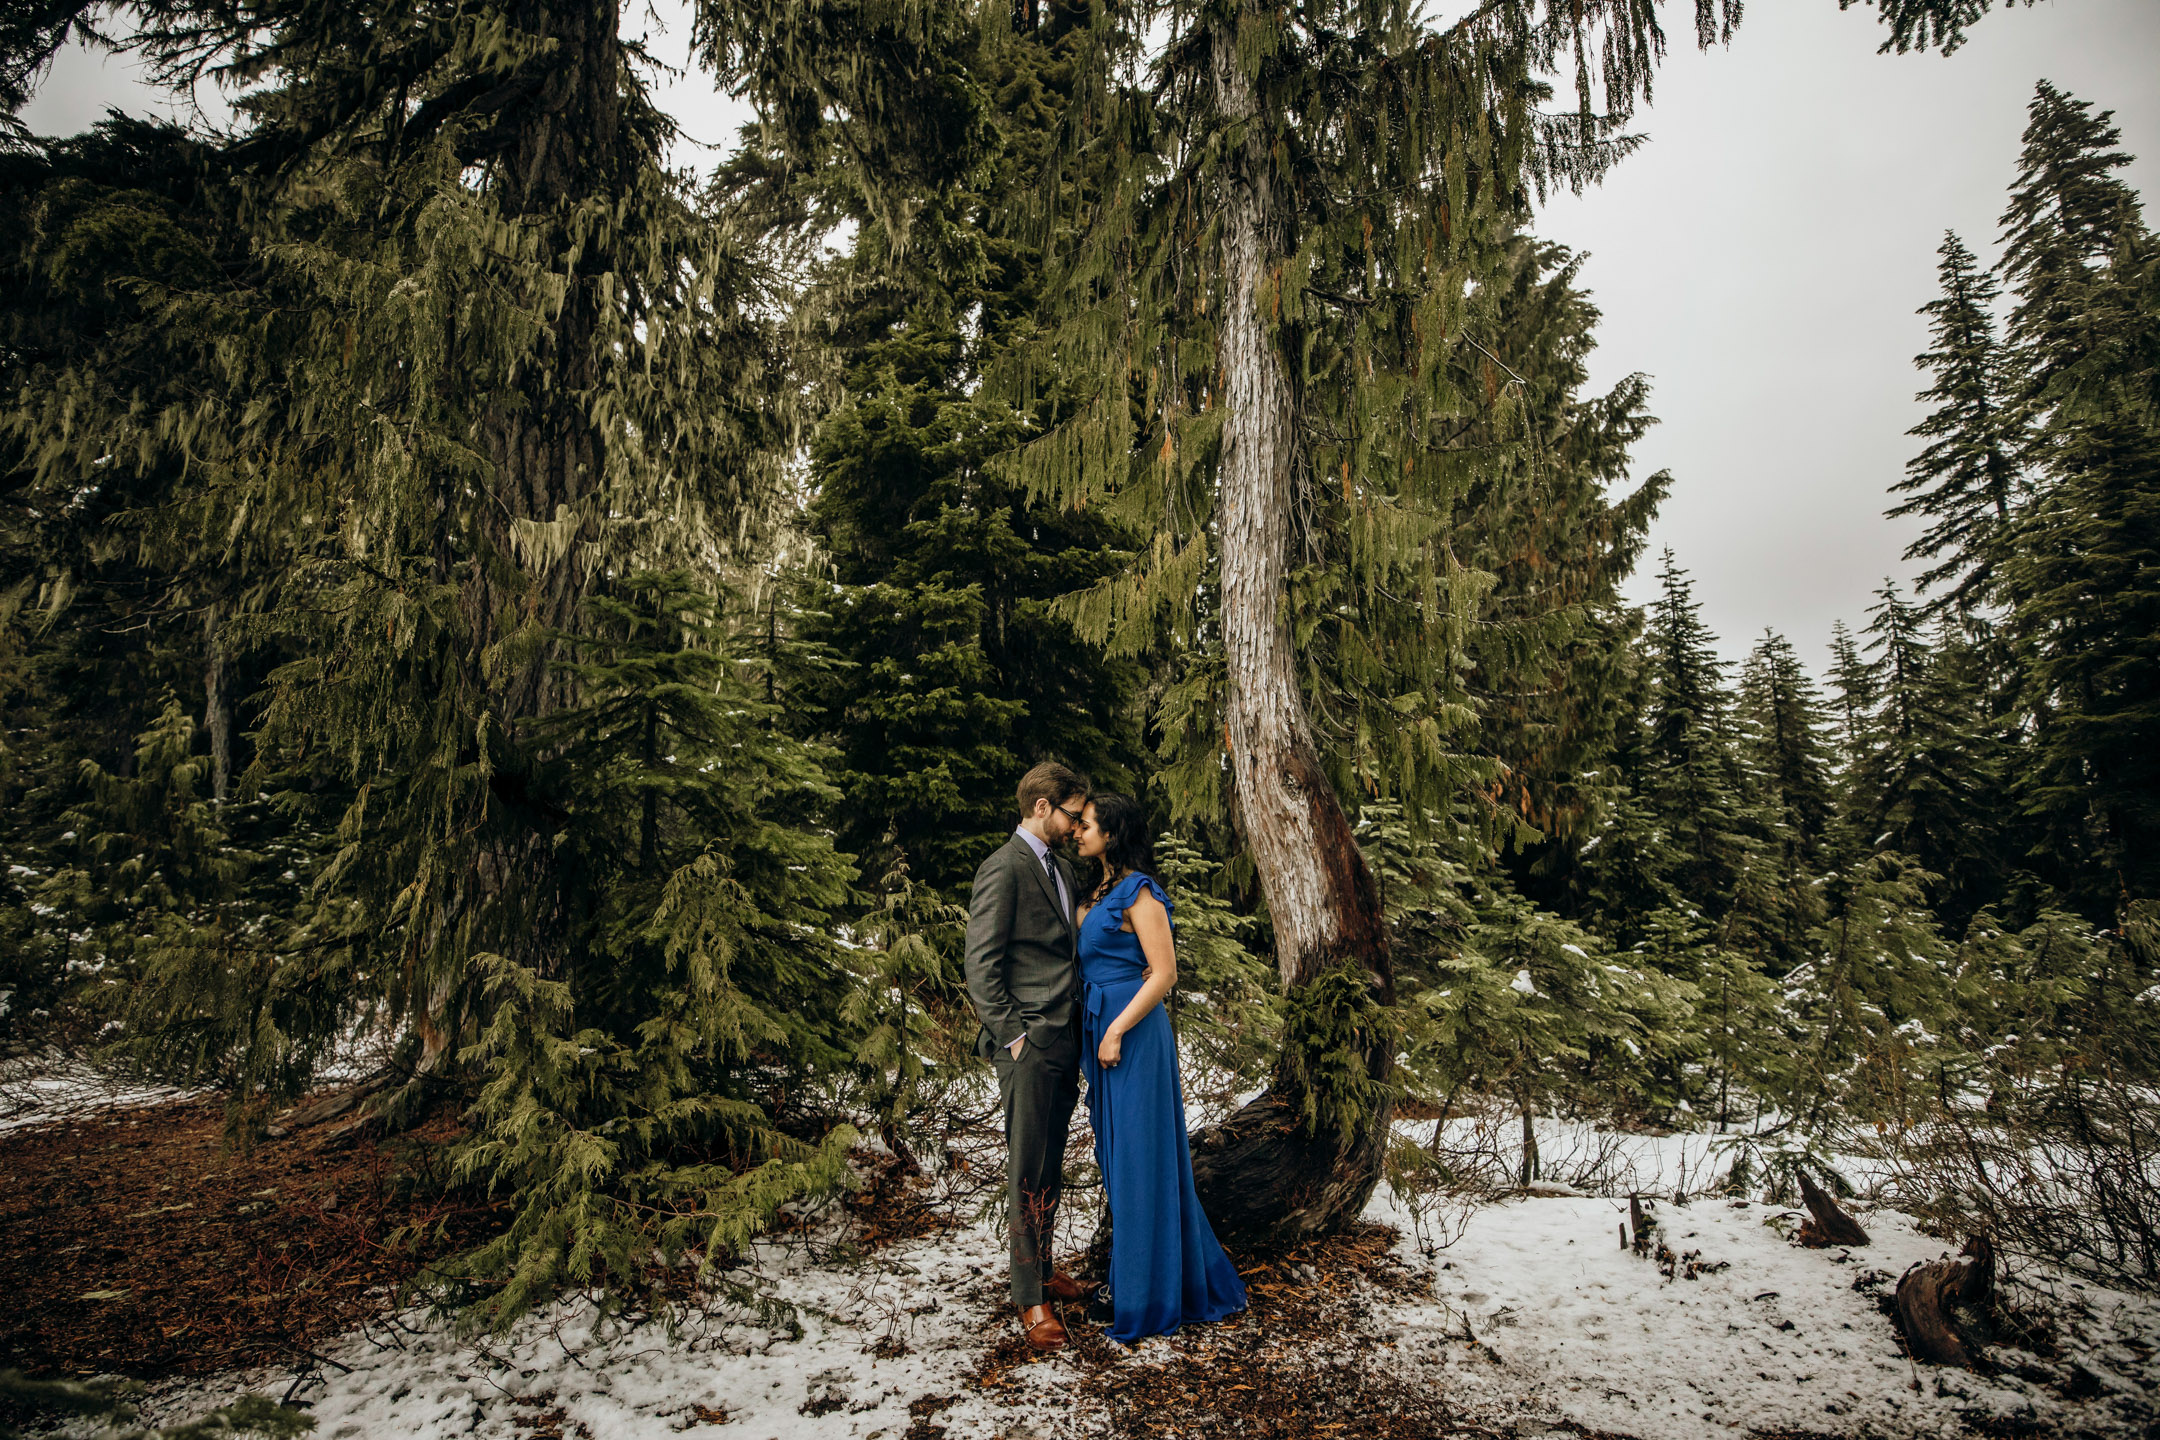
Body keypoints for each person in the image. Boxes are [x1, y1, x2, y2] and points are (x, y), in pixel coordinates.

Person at [1071, 793, 1247, 1345]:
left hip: (1132, 1037)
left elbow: (1164, 973)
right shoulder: (1097, 893)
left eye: (1088, 825)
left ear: (1114, 833)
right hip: (1100, 1033)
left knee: (1140, 1160)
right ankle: (1133, 1276)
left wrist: (1118, 1028)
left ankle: (1144, 1294)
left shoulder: (1139, 891)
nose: (1078, 832)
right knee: (1117, 1158)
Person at [963, 760, 1095, 1351]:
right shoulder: (1004, 868)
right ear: (1042, 806)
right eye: (1071, 813)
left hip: (1064, 1040)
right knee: (1025, 1170)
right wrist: (1014, 1034)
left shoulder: (1062, 870)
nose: (1075, 825)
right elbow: (980, 965)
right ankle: (1029, 1299)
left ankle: (1042, 1269)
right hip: (1028, 1046)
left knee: (1049, 1167)